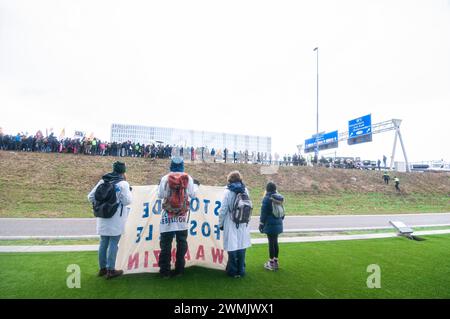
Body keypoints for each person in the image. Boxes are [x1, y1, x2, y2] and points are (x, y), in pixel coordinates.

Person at [88, 161, 132, 279]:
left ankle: (102, 268)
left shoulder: (103, 180)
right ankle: (111, 270)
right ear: (123, 171)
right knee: (113, 242)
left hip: (103, 216)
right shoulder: (123, 183)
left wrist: (102, 205)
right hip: (116, 217)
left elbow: (90, 197)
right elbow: (127, 201)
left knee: (103, 242)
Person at [157, 157, 199, 278]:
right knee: (181, 243)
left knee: (165, 244)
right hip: (182, 216)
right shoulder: (188, 178)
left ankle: (165, 271)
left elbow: (160, 195)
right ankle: (179, 269)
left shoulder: (165, 178)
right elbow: (193, 194)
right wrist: (196, 186)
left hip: (167, 216)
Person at [218, 171, 252, 278]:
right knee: (242, 245)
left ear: (229, 180)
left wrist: (220, 223)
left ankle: (232, 271)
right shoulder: (245, 190)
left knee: (231, 247)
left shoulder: (227, 191)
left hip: (231, 221)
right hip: (243, 222)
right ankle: (241, 270)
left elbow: (223, 210)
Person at [259, 182, 284, 271]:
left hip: (270, 224)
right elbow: (283, 212)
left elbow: (263, 213)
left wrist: (261, 224)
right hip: (278, 223)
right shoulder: (280, 197)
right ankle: (276, 262)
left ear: (267, 189)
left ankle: (271, 263)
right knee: (275, 242)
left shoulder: (267, 198)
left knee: (271, 242)